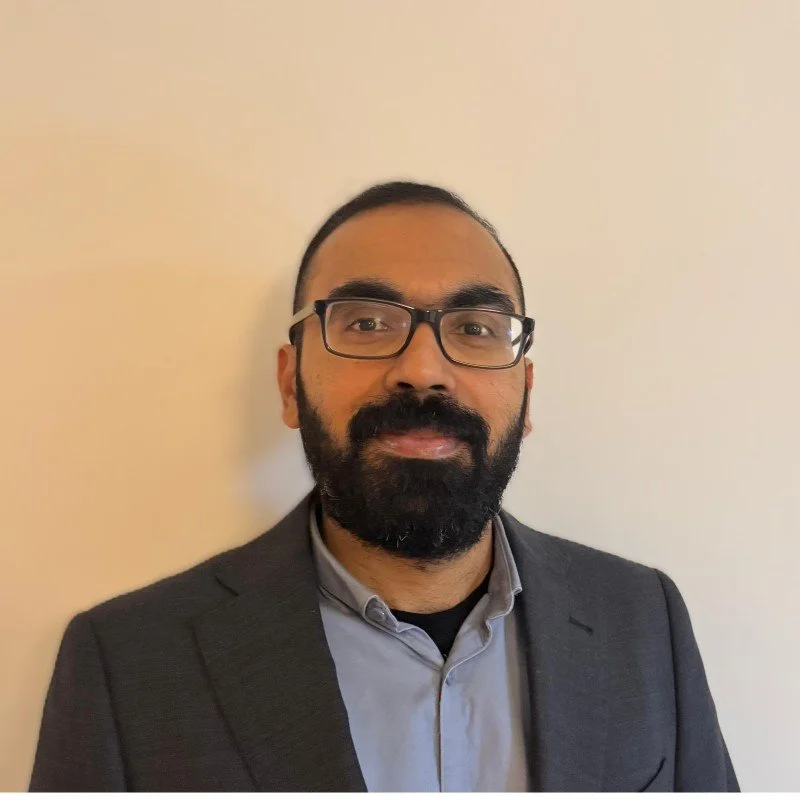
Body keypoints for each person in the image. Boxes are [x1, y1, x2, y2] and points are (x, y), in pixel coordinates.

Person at [29, 181, 739, 792]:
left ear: (524, 391)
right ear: (288, 381)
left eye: (474, 327)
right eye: (367, 323)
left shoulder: (644, 622)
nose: (423, 369)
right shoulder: (127, 666)